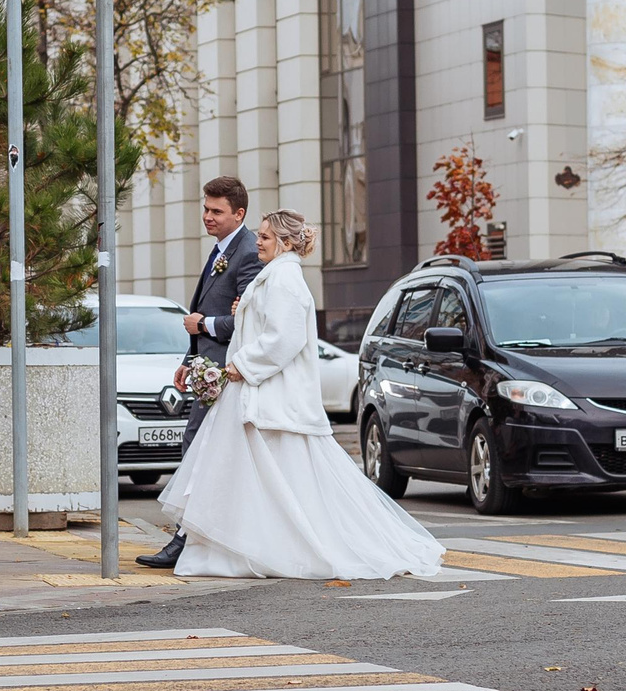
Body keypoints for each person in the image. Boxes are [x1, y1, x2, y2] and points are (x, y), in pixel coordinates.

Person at [158, 209, 447, 581]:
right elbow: (270, 326)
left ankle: (268, 549)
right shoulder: (276, 276)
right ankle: (248, 547)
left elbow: (285, 339)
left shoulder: (284, 279)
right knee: (262, 480)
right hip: (258, 394)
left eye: (264, 237)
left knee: (284, 481)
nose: (257, 242)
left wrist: (240, 365)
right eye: (259, 235)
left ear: (286, 242)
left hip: (269, 395)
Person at [134, 176, 262, 570]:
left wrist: (202, 326)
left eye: (216, 211)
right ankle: (198, 537)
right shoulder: (222, 249)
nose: (207, 216)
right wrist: (189, 360)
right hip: (209, 369)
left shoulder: (249, 252)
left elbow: (248, 320)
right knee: (204, 454)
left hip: (230, 375)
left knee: (199, 452)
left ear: (239, 213)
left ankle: (186, 539)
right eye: (205, 209)